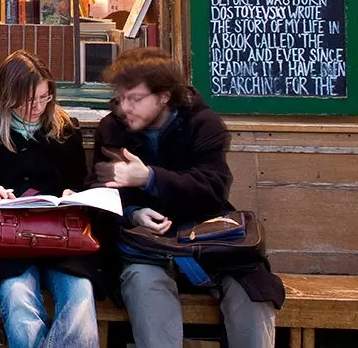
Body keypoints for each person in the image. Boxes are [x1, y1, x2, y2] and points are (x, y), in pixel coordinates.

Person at [94, 48, 283, 348]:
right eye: (120, 98)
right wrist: (133, 212)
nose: (125, 108)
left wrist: (150, 178)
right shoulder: (112, 128)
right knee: (143, 284)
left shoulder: (202, 123)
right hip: (147, 248)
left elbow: (213, 189)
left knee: (252, 295)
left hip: (209, 241)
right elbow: (99, 195)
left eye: (136, 98)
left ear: (164, 96)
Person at [0, 50, 98, 348]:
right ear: (6, 94)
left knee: (81, 296)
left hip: (61, 243)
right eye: (29, 100)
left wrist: (72, 194)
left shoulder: (66, 129)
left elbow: (77, 181)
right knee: (19, 300)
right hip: (5, 245)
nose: (38, 107)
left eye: (44, 98)